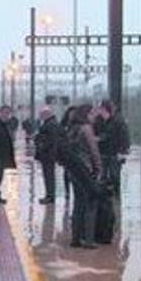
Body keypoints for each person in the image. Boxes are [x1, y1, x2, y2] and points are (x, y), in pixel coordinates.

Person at [59, 105, 103, 248]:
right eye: (91, 114)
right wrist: (98, 169)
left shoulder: (72, 129)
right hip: (86, 169)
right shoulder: (86, 129)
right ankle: (89, 240)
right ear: (86, 114)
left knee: (78, 203)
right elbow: (93, 151)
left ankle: (75, 238)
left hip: (73, 169)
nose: (93, 117)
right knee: (91, 202)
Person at [95, 99, 130, 196]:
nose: (99, 111)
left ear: (106, 109)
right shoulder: (98, 120)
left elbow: (124, 136)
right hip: (103, 152)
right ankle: (104, 196)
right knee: (102, 176)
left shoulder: (118, 120)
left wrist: (123, 151)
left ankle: (116, 194)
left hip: (115, 152)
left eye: (101, 108)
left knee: (115, 175)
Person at [33, 106, 63, 204]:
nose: (40, 116)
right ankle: (49, 195)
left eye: (41, 114)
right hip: (49, 154)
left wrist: (40, 144)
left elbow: (49, 140)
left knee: (49, 175)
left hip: (48, 154)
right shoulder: (51, 123)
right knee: (48, 175)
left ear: (46, 114)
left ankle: (50, 196)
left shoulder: (50, 125)